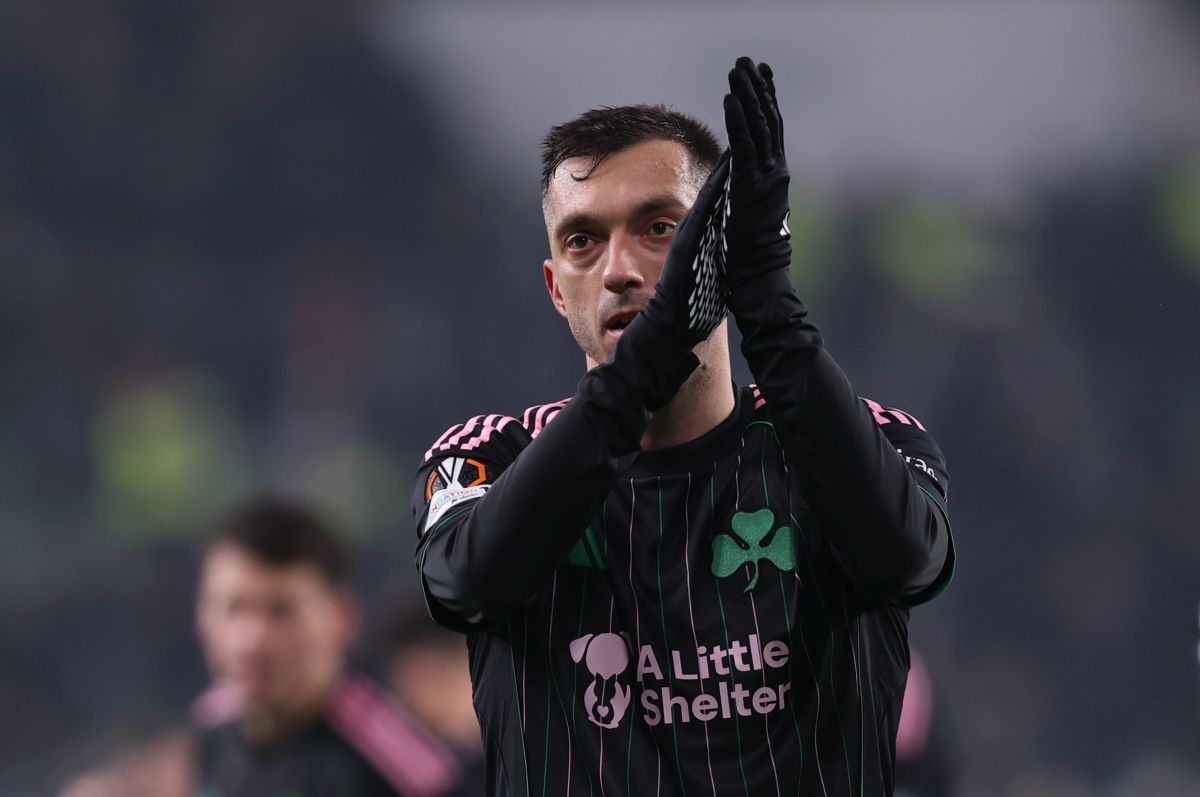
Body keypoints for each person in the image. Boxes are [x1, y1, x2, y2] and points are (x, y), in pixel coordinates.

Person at [411, 57, 954, 795]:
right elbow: (466, 584)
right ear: (555, 288)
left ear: (722, 255)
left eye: (659, 228)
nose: (619, 269)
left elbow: (907, 563)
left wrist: (772, 314)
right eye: (582, 241)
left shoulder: (865, 441)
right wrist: (650, 357)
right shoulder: (487, 455)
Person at [62, 497, 470, 797]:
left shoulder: (399, 767)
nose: (253, 639)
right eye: (234, 608)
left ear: (341, 619)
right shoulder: (212, 725)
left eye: (281, 611)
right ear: (202, 617)